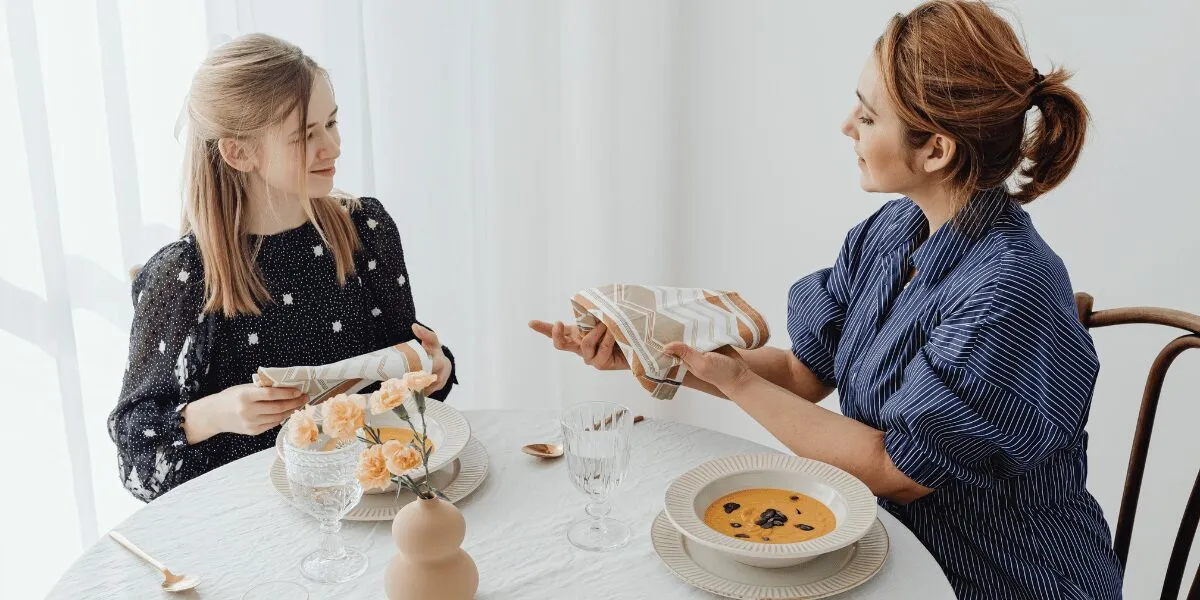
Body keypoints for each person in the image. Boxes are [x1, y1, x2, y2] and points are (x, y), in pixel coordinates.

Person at [531, 2, 1122, 597]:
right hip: (884, 548)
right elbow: (800, 372)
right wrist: (654, 351)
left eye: (867, 117)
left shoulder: (1007, 291)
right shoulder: (891, 232)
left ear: (935, 150)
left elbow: (895, 469)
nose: (846, 126)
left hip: (997, 577)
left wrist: (738, 385)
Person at [109, 33, 456, 502]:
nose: (331, 147)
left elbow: (399, 385)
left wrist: (434, 367)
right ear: (238, 153)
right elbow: (137, 452)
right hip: (249, 526)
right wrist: (218, 412)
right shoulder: (185, 276)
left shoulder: (367, 229)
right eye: (305, 136)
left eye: (332, 123)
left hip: (371, 504)